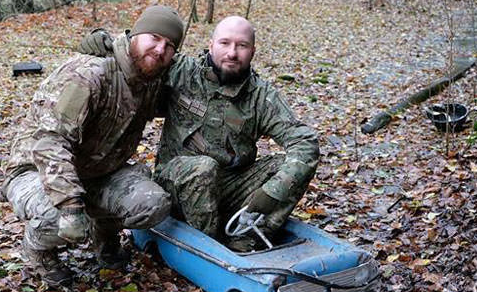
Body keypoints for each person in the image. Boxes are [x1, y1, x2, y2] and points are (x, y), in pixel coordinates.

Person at [79, 15, 319, 252]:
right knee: (203, 167)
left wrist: (273, 191)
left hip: (229, 185)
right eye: (225, 43)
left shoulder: (261, 96)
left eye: (242, 45)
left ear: (252, 51)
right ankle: (209, 248)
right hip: (175, 183)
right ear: (211, 45)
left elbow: (305, 142)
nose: (232, 53)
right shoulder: (182, 71)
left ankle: (245, 238)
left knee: (288, 167)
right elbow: (142, 55)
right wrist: (106, 43)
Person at [2, 5, 184, 286]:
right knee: (65, 219)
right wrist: (70, 204)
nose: (160, 49)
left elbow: (204, 76)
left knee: (153, 204)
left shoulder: (152, 78)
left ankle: (104, 236)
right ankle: (36, 248)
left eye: (169, 45)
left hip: (99, 170)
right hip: (36, 171)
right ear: (135, 34)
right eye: (154, 38)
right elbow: (49, 142)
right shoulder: (90, 73)